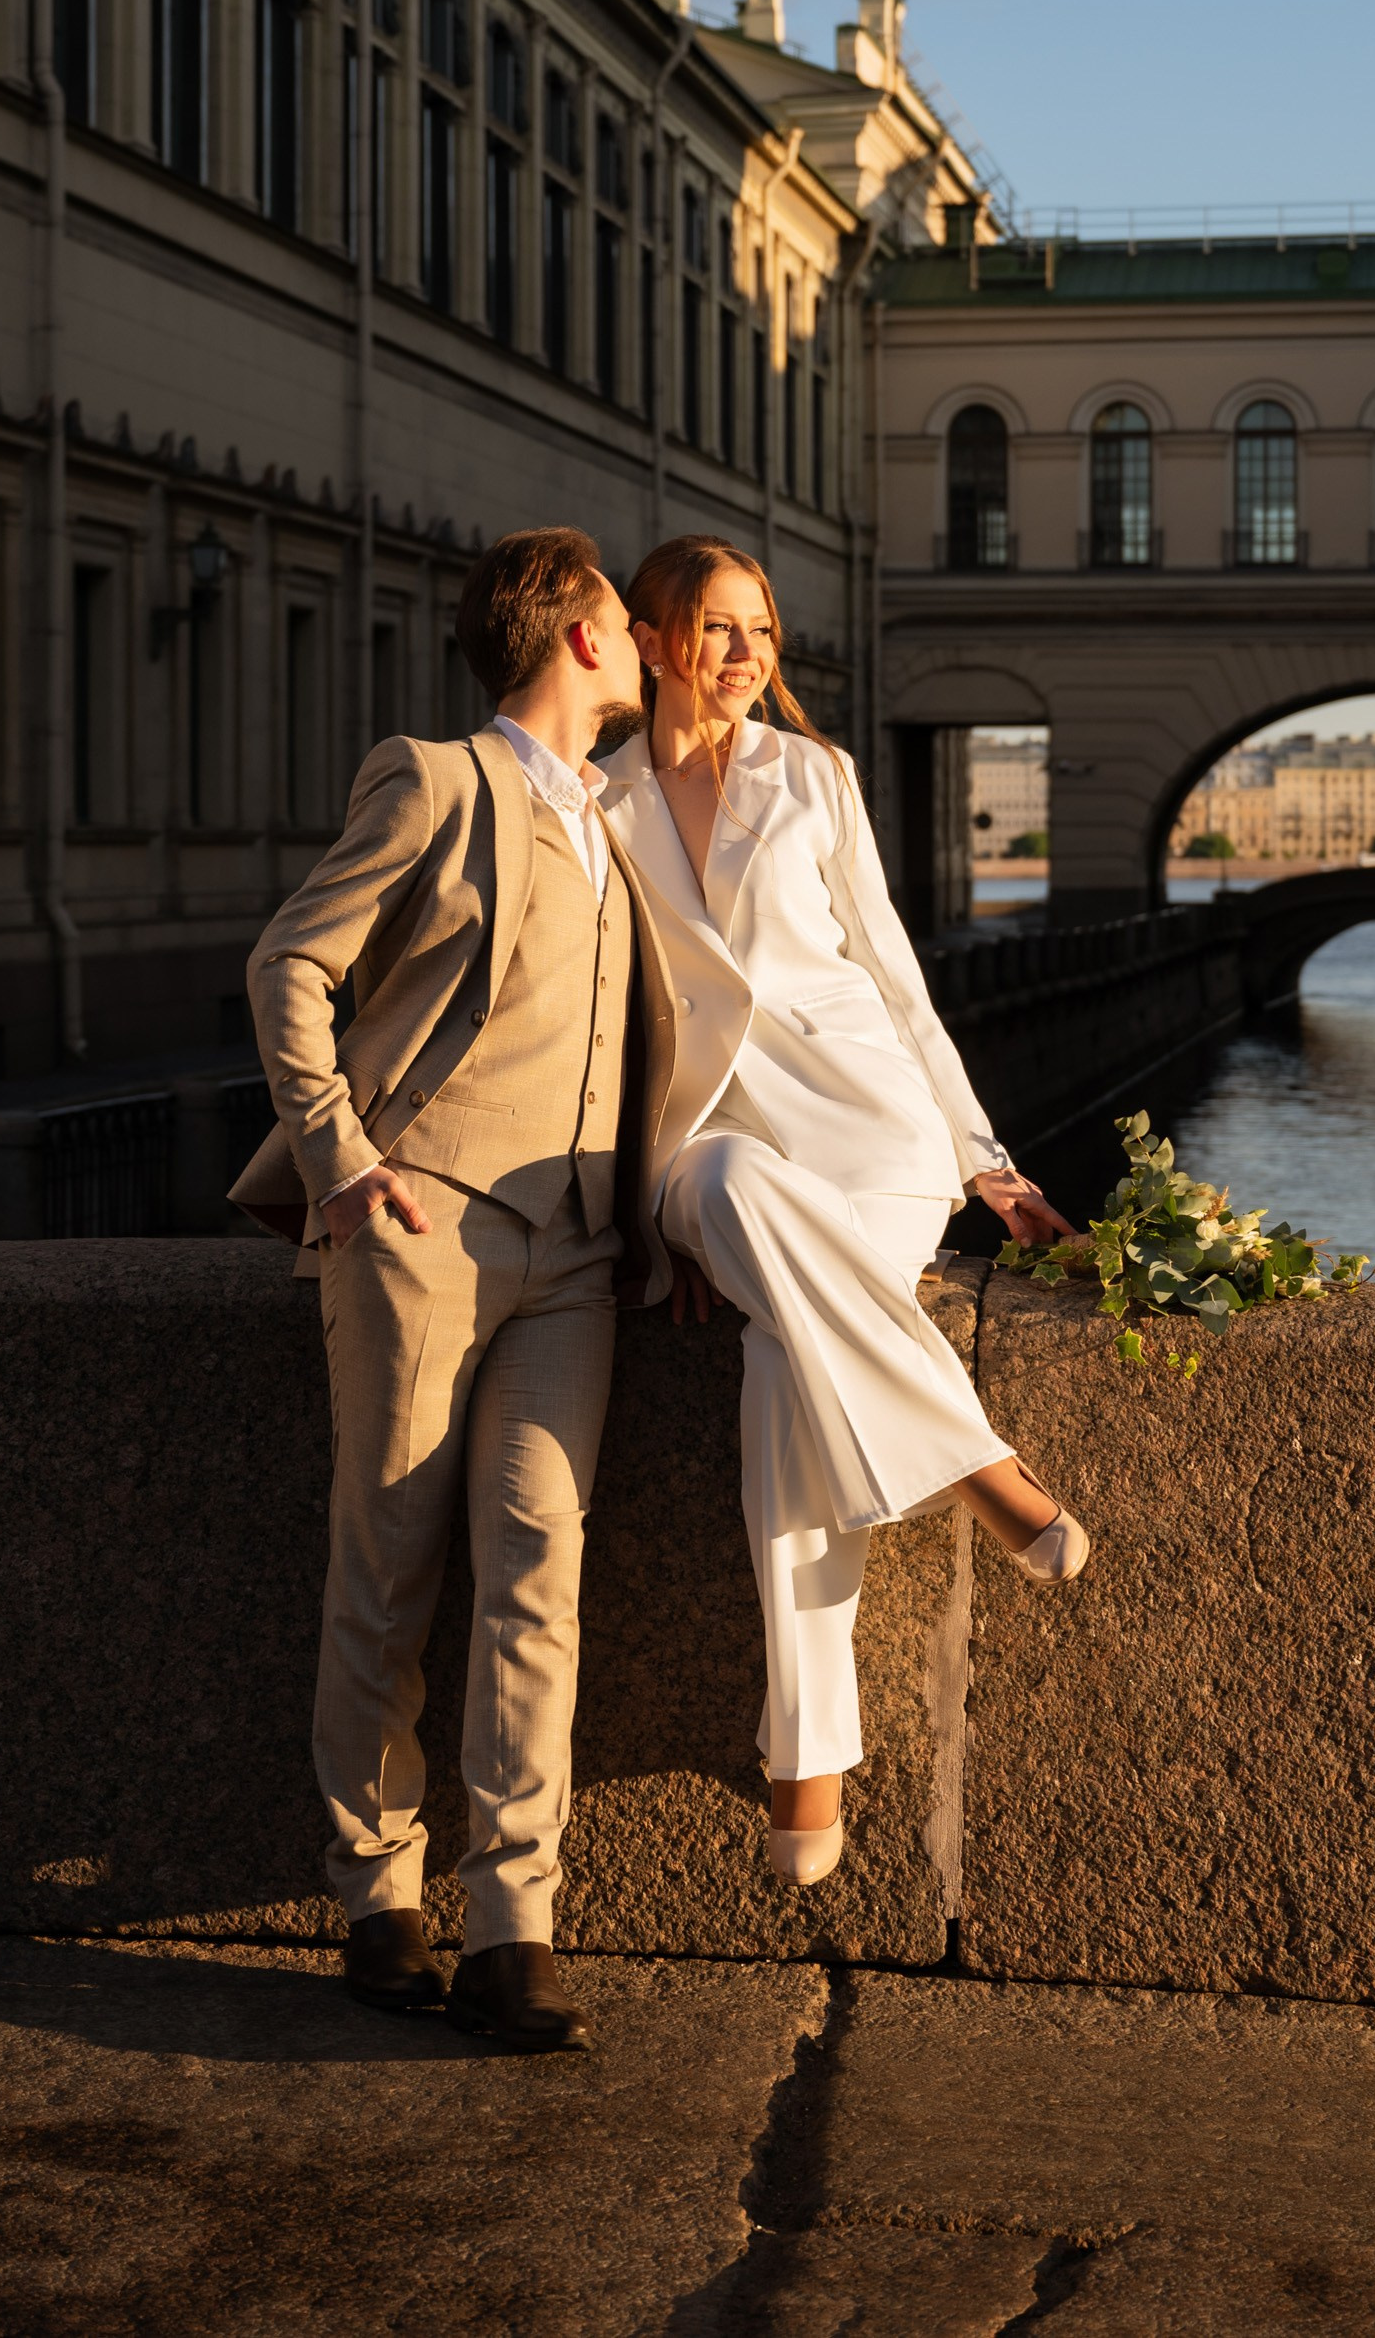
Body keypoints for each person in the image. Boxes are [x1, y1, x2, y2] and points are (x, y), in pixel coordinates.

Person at [231, 527, 676, 2049]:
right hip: (427, 1227)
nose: (645, 646)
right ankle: (376, 1895)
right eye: (628, 621)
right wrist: (342, 1159)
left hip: (578, 1254)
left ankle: (513, 1927)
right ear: (576, 639)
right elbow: (292, 962)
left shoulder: (623, 822)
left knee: (537, 1567)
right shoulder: (436, 778)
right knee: (392, 1567)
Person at [597, 534, 1086, 1887]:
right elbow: (597, 1025)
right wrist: (640, 1225)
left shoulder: (815, 778)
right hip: (707, 1152)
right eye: (721, 627)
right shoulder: (595, 800)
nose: (751, 654)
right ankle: (977, 1465)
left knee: (779, 1358)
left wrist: (993, 1165)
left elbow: (894, 977)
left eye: (765, 630)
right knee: (735, 1190)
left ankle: (808, 1765)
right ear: (648, 637)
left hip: (872, 1138)